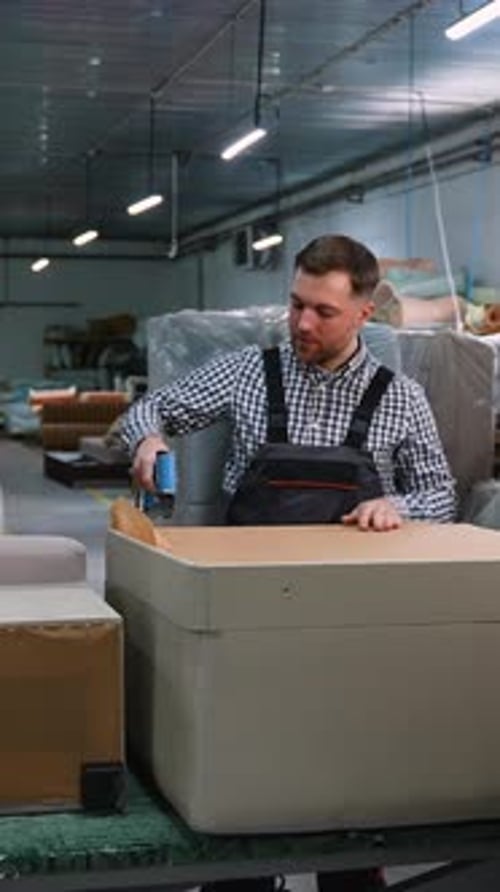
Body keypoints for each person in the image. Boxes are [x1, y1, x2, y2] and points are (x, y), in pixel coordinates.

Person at [120, 234, 456, 892]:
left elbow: (441, 492)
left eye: (323, 312)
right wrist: (149, 437)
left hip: (352, 624)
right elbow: (150, 408)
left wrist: (397, 507)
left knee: (348, 791)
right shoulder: (251, 371)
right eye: (296, 304)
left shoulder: (400, 397)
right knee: (244, 784)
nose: (303, 322)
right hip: (251, 618)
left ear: (365, 312)